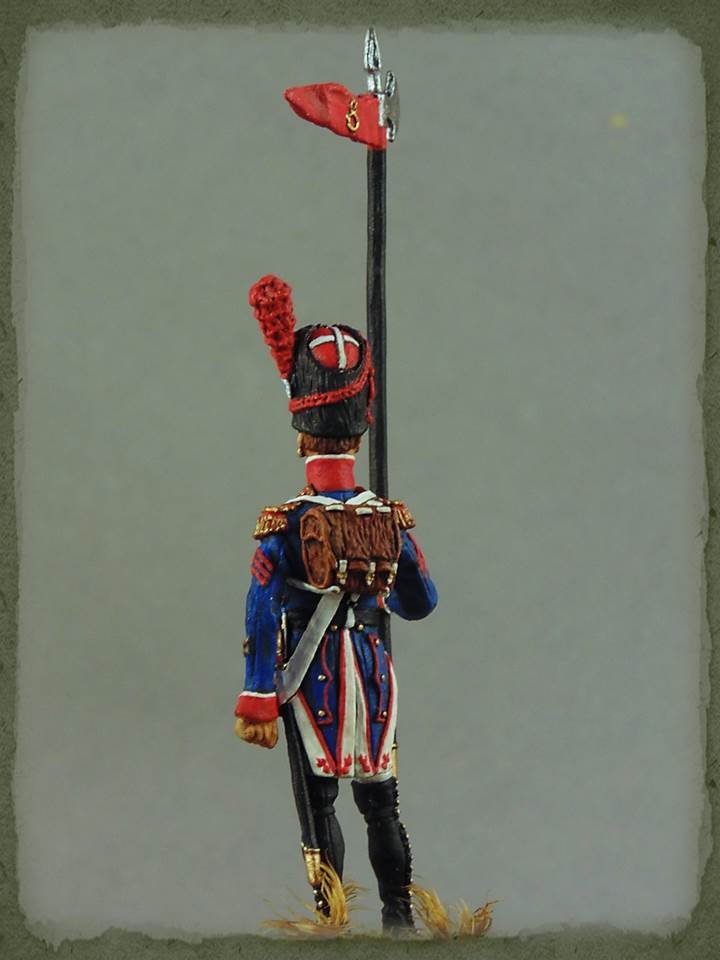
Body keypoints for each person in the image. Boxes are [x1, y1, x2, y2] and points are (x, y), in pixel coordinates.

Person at [234, 274, 437, 933]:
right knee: (382, 805)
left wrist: (257, 695)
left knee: (319, 806)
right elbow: (421, 602)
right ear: (359, 430)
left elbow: (262, 612)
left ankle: (335, 924)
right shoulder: (388, 516)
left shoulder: (285, 524)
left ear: (303, 433)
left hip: (311, 677)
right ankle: (399, 919)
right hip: (371, 673)